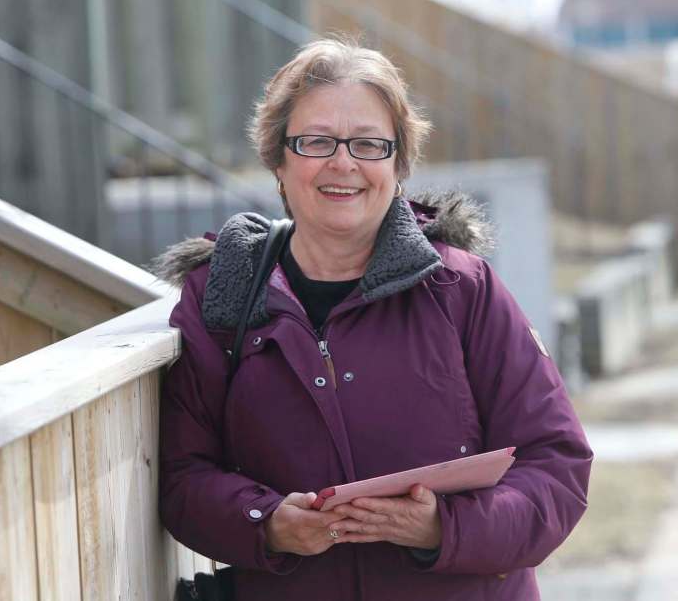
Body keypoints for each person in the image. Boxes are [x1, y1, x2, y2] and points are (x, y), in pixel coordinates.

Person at [156, 38, 592, 600]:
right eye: (316, 141)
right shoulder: (223, 297)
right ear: (279, 160)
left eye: (368, 144)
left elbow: (556, 467)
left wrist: (442, 528)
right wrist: (266, 523)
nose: (343, 163)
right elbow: (182, 478)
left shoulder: (462, 289)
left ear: (398, 164)